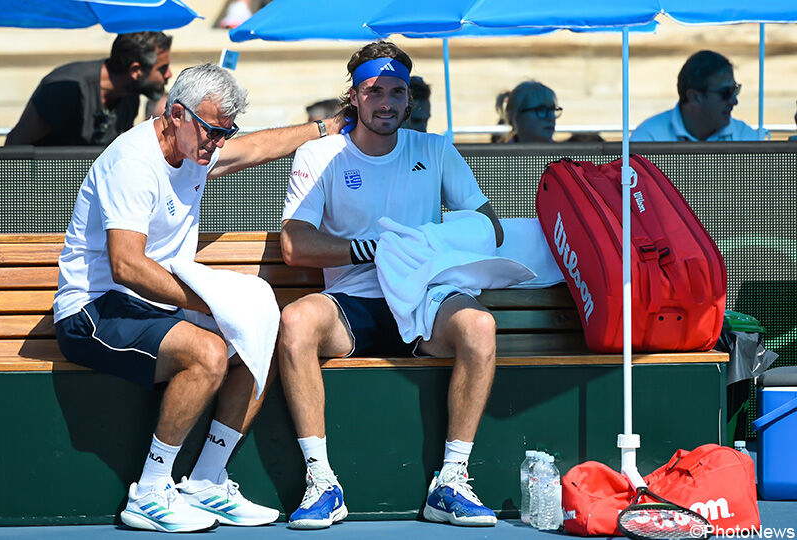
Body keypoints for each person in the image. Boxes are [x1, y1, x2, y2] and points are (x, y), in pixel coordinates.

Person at [53, 62, 344, 533]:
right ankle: (148, 492)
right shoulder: (132, 162)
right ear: (176, 113)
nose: (219, 143)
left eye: (226, 132)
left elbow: (256, 148)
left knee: (260, 333)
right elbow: (127, 265)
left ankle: (207, 481)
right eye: (212, 131)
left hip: (154, 304)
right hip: (92, 310)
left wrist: (323, 128)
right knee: (208, 352)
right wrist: (207, 304)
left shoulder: (198, 146)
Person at [278, 41, 502, 530]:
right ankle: (322, 481)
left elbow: (489, 226)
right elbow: (296, 246)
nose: (386, 102)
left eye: (396, 92)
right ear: (354, 97)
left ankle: (451, 482)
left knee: (480, 327)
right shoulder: (320, 155)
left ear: (409, 100)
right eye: (373, 91)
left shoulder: (435, 149)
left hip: (423, 301)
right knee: (295, 320)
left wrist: (423, 244)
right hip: (350, 304)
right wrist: (375, 249)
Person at [5, 32, 173, 146]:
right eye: (162, 68)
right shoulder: (66, 88)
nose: (169, 74)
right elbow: (15, 147)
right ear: (135, 71)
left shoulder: (130, 96)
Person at [632, 50, 762, 142]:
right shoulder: (648, 137)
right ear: (694, 97)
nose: (734, 101)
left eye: (735, 89)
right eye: (725, 93)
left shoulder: (746, 136)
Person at [495, 81, 560, 143]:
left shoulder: (565, 154)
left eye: (552, 110)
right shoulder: (499, 154)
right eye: (541, 110)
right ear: (516, 116)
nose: (551, 117)